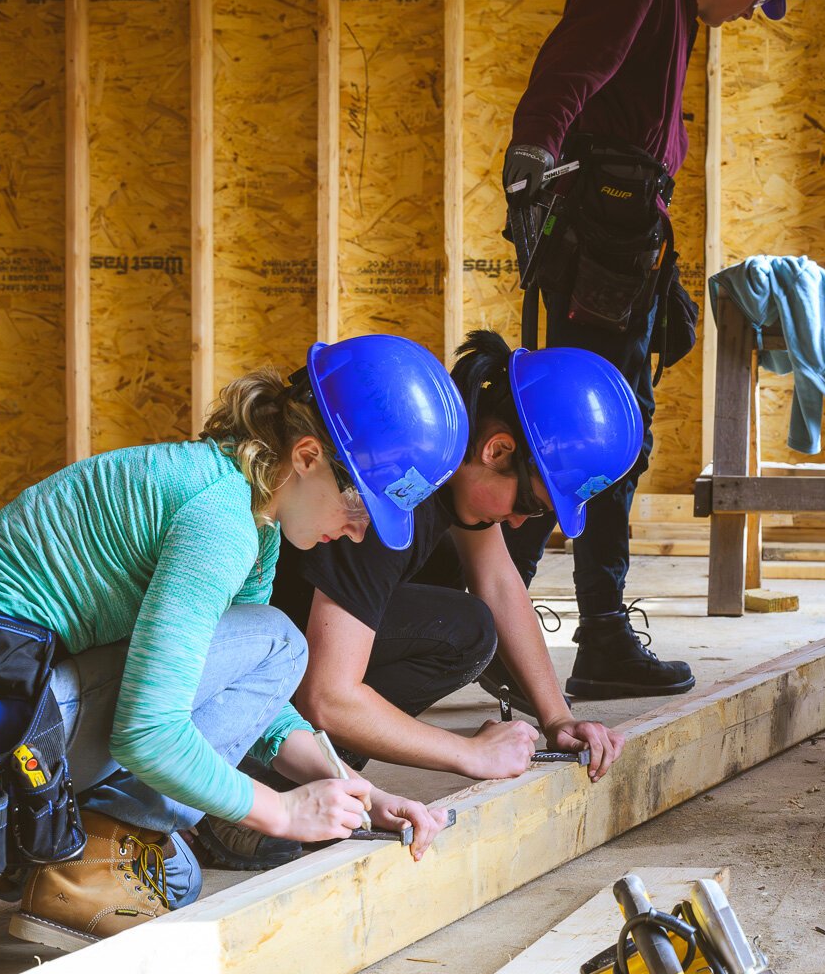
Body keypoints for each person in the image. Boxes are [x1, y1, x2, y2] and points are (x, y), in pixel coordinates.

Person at [0, 334, 467, 968]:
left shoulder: (248, 509)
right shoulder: (219, 518)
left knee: (176, 877)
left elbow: (253, 698)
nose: (360, 531)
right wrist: (278, 810)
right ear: (308, 456)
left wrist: (354, 788)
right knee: (279, 638)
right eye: (361, 501)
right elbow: (149, 732)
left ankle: (52, 855)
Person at [194, 330, 640, 872]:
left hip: (268, 660)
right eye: (528, 502)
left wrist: (557, 719)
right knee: (462, 631)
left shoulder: (444, 465)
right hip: (233, 680)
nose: (524, 522)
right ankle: (246, 789)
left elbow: (499, 582)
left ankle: (320, 775)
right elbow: (327, 698)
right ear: (497, 449)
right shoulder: (386, 494)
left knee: (471, 616)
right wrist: (468, 754)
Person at [499, 0, 815, 698]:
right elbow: (574, 64)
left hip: (621, 241)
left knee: (591, 433)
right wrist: (535, 145)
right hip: (600, 239)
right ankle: (562, 631)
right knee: (588, 433)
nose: (750, 12)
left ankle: (512, 622)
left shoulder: (670, 1)